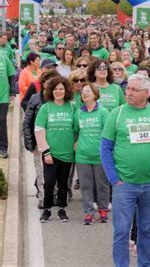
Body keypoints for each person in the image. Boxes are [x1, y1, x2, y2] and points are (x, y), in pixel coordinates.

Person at [100, 74, 150, 267]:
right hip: (125, 185)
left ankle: (144, 264)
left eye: (133, 89)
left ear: (146, 93)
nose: (128, 92)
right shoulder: (117, 113)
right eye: (128, 88)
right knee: (122, 231)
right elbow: (105, 148)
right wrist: (114, 179)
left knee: (146, 229)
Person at [35, 75, 76, 223]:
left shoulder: (72, 107)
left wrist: (76, 143)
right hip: (51, 154)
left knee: (63, 183)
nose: (59, 92)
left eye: (61, 89)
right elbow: (39, 130)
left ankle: (61, 209)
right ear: (51, 91)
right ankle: (46, 210)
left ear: (66, 91)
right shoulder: (45, 108)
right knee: (49, 183)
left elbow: (77, 128)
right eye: (56, 89)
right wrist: (45, 151)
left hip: (67, 153)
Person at [74, 82, 110, 225]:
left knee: (102, 185)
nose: (85, 93)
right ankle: (89, 212)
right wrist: (76, 143)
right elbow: (76, 130)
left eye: (88, 91)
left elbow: (108, 133)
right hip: (82, 156)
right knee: (85, 185)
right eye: (83, 92)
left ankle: (103, 209)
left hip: (100, 156)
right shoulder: (79, 112)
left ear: (95, 94)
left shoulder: (103, 112)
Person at [23, 70, 58, 208]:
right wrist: (29, 143)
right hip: (39, 143)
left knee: (54, 171)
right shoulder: (35, 99)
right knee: (41, 172)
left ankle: (54, 195)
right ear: (43, 84)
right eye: (47, 82)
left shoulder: (60, 100)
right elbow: (27, 122)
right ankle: (43, 198)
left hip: (56, 142)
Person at [0, 48, 16, 158]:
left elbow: (12, 75)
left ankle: (3, 148)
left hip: (3, 95)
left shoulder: (3, 56)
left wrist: (12, 92)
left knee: (2, 120)